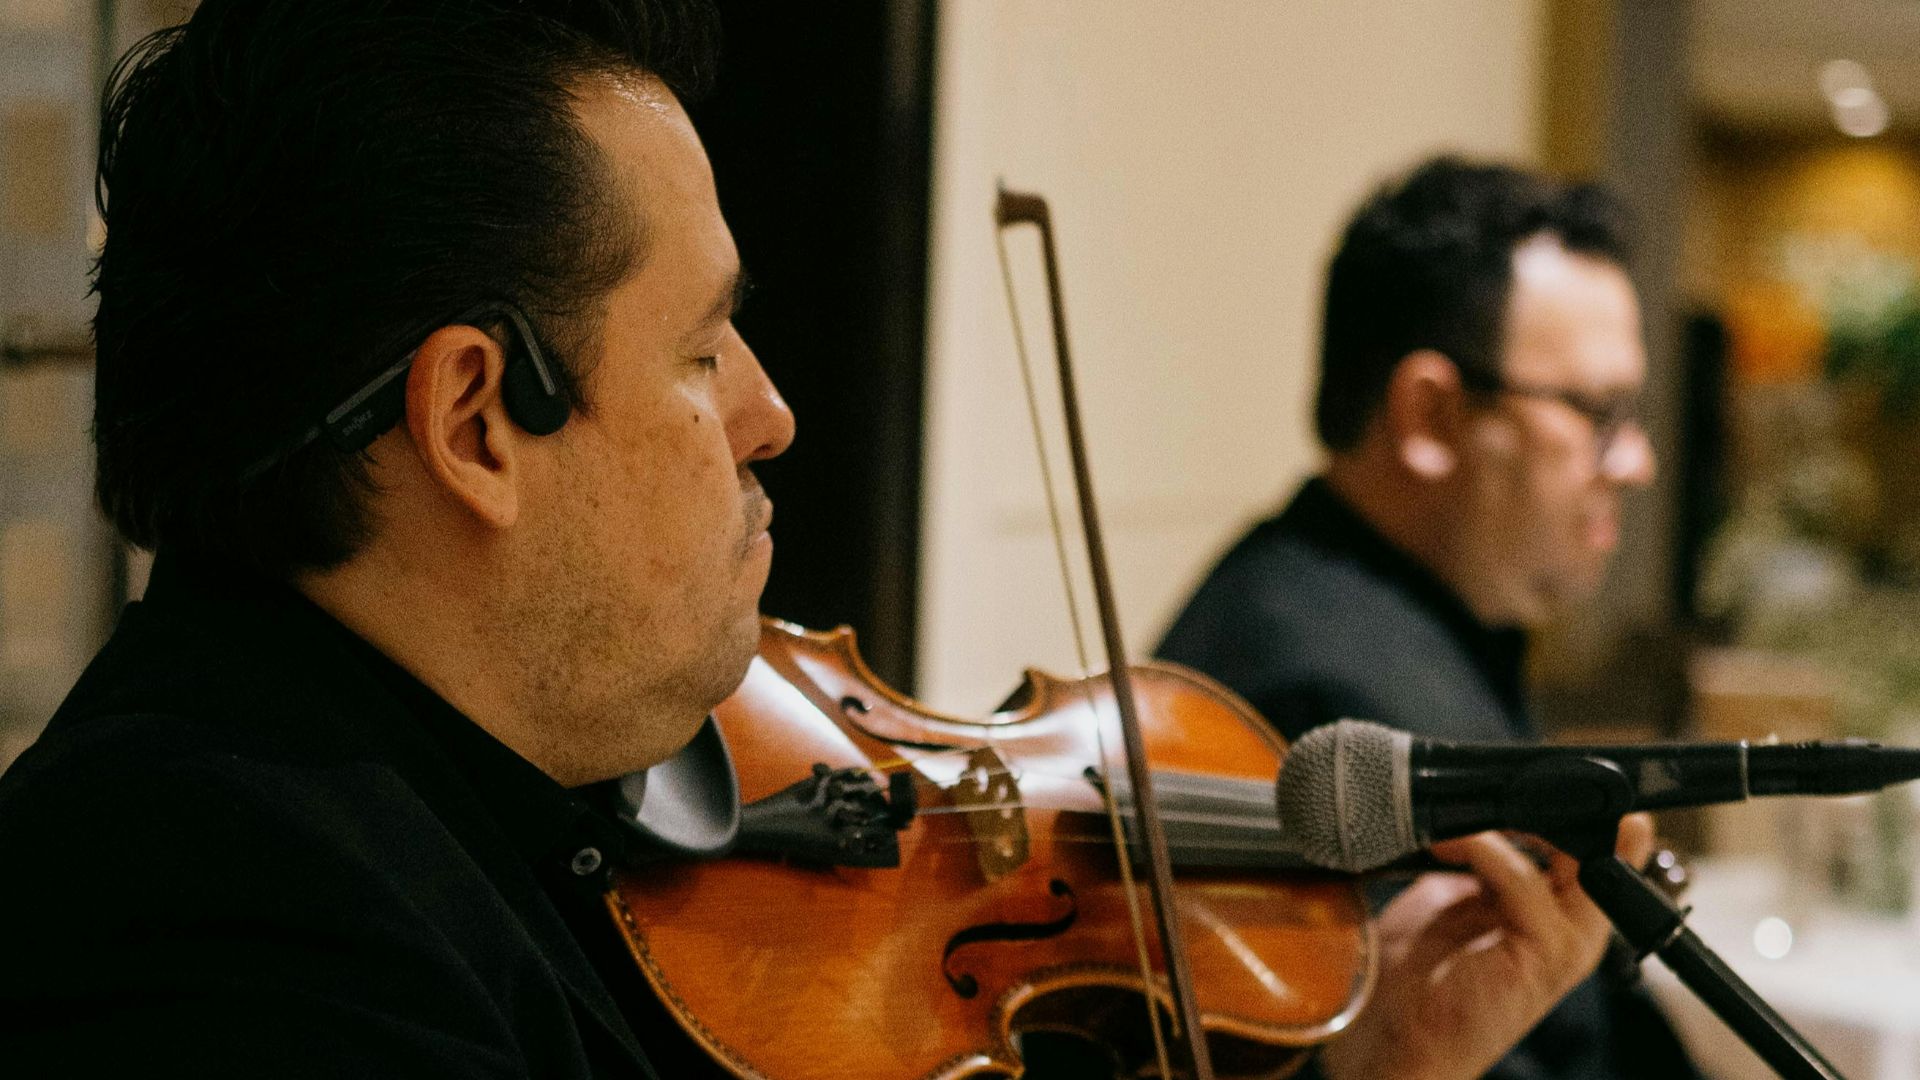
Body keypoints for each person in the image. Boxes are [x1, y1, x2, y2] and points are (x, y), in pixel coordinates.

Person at [0, 5, 1646, 1076]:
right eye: (702, 349)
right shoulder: (226, 933)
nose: (771, 412)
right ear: (479, 422)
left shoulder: (482, 792)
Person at [1158, 157, 1697, 1080]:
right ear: (1431, 416)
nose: (1636, 461)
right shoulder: (1324, 689)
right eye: (1599, 412)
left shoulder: (1409, 617)